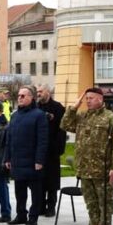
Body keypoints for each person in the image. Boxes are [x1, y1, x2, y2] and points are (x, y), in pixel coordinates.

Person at [61, 87, 113, 225]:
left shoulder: (112, 119)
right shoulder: (82, 117)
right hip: (84, 168)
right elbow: (65, 124)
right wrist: (74, 107)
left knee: (104, 203)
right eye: (86, 98)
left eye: (91, 98)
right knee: (91, 203)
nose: (88, 101)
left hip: (102, 169)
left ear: (100, 99)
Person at [4, 86, 49, 225]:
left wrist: (39, 160)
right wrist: (7, 158)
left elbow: (42, 140)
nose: (20, 98)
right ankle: (21, 215)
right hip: (17, 160)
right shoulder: (15, 115)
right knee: (19, 191)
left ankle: (33, 217)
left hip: (32, 161)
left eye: (23, 96)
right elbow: (9, 139)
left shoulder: (39, 115)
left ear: (31, 98)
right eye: (19, 95)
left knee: (35, 192)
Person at [37, 84, 67, 217]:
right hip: (39, 150)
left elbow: (62, 129)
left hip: (52, 150)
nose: (38, 94)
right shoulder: (36, 107)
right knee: (39, 179)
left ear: (48, 92)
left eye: (41, 91)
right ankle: (40, 205)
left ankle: (51, 206)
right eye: (37, 91)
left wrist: (58, 148)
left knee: (52, 181)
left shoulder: (58, 108)